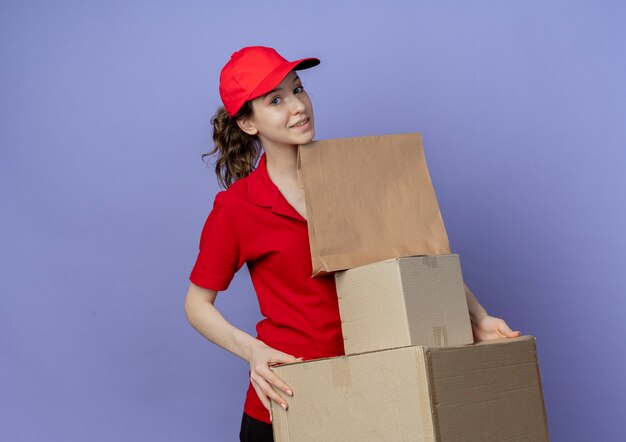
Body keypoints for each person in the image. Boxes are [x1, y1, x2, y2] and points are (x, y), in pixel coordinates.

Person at [184, 46, 521, 442]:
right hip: (290, 399)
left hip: (379, 388)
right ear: (248, 123)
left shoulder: (355, 176)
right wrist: (252, 351)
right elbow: (196, 304)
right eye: (275, 100)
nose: (297, 106)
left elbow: (416, 259)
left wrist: (477, 318)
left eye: (298, 89)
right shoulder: (238, 207)